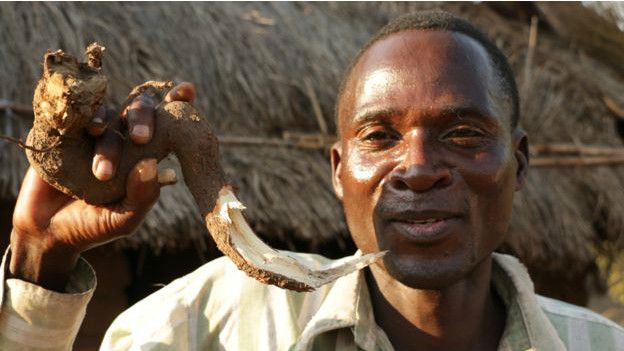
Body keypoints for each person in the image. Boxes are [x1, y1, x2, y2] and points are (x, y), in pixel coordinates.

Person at [1, 10, 623, 351]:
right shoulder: (204, 327)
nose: (419, 168)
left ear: (517, 163)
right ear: (335, 171)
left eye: (462, 135)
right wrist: (40, 255)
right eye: (379, 137)